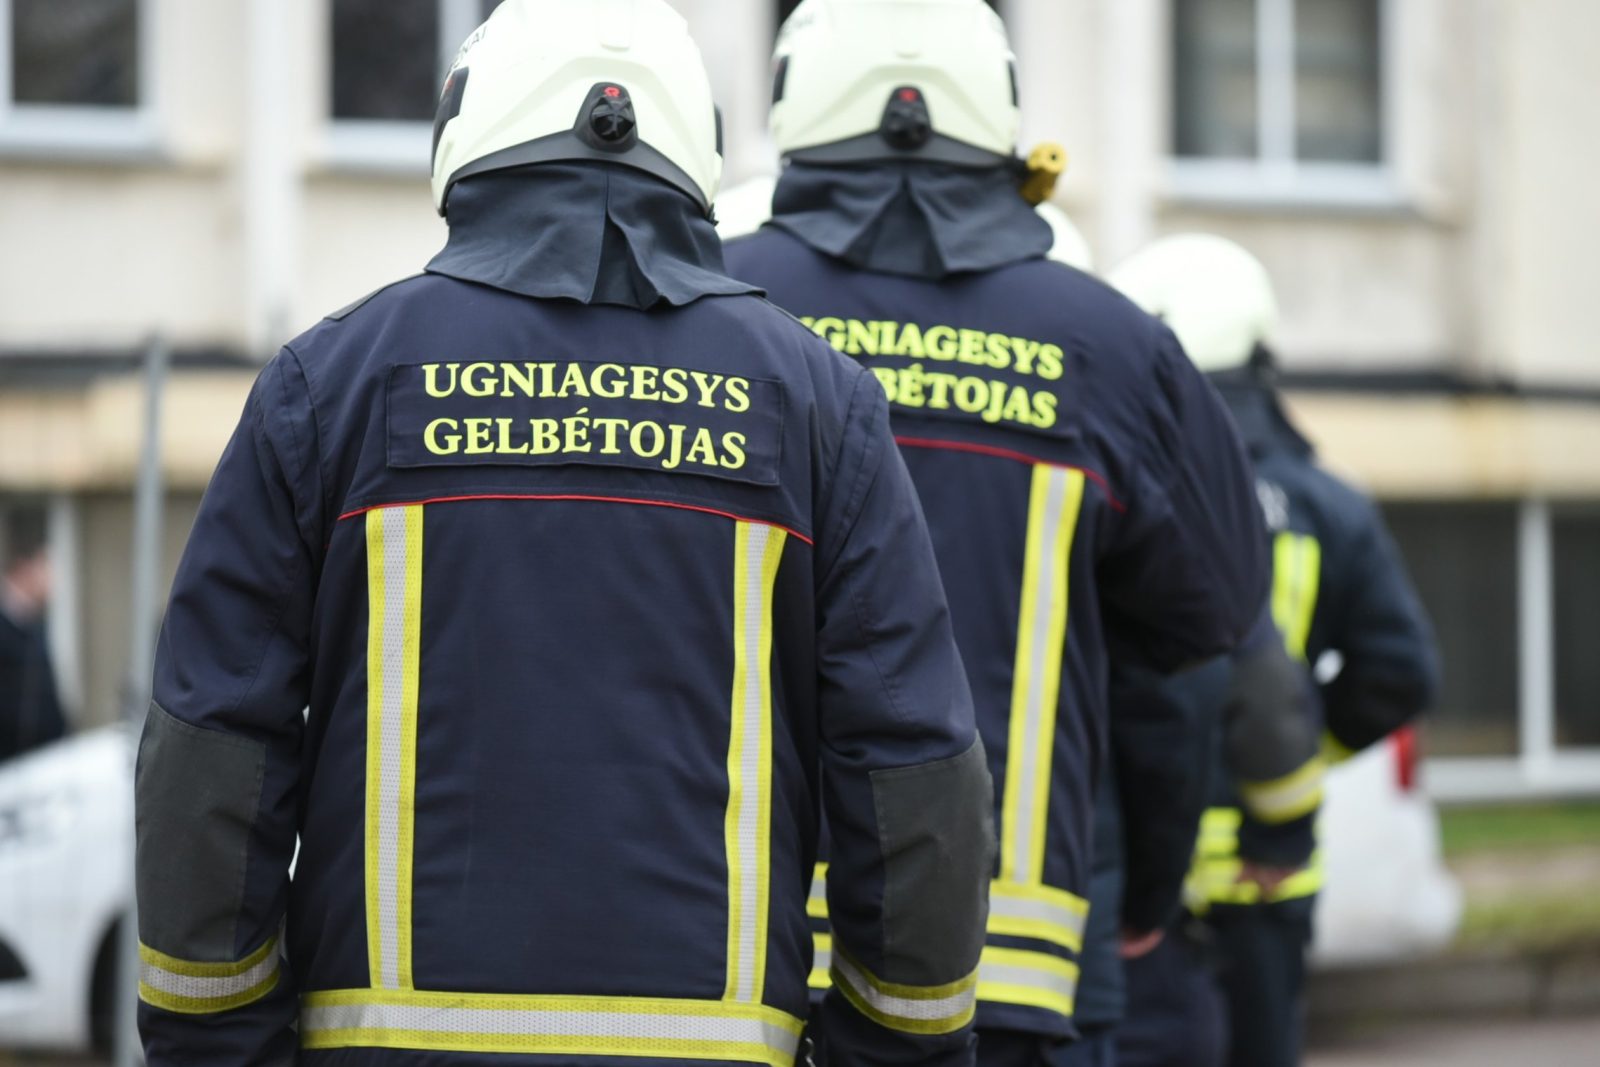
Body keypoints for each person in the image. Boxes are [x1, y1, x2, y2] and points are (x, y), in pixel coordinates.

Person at [133, 2, 995, 1064]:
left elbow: (212, 747)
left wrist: (220, 1041)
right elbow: (912, 764)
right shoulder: (820, 403)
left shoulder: (330, 384)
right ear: (695, 147)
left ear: (468, 132)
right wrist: (892, 1045)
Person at [723, 2, 1320, 1062]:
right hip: (1009, 972)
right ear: (997, 111)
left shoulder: (709, 310)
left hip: (739, 956)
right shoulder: (1113, 345)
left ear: (792, 101)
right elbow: (1210, 623)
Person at [1111, 234, 1441, 1067]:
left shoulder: (1125, 484)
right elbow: (1400, 672)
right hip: (1268, 870)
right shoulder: (1330, 503)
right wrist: (1303, 749)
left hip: (1132, 873)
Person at [0, 509, 66, 762]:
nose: (52, 578)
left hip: (42, 762)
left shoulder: (37, 626)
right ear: (24, 568)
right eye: (45, 565)